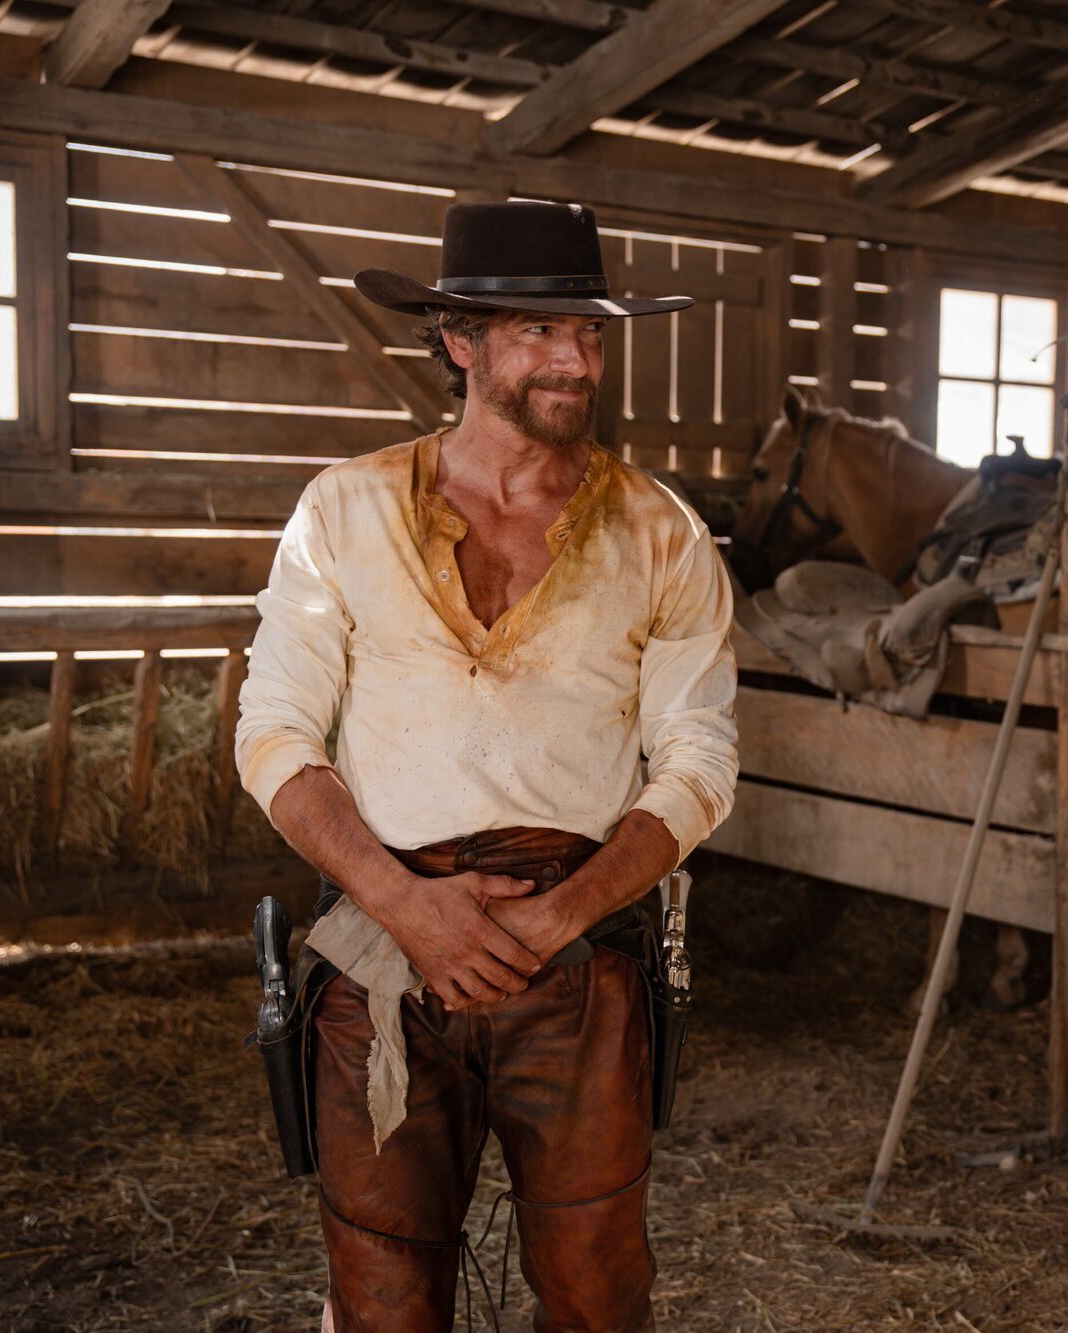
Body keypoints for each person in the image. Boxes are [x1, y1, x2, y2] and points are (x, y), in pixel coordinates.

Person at [235, 200, 738, 1332]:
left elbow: (698, 757)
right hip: (382, 961)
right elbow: (271, 732)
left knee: (597, 1287)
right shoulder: (345, 509)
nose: (575, 360)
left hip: (579, 962)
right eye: (537, 331)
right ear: (458, 339)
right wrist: (406, 905)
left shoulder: (658, 531)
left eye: (590, 334)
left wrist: (561, 916)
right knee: (380, 1290)